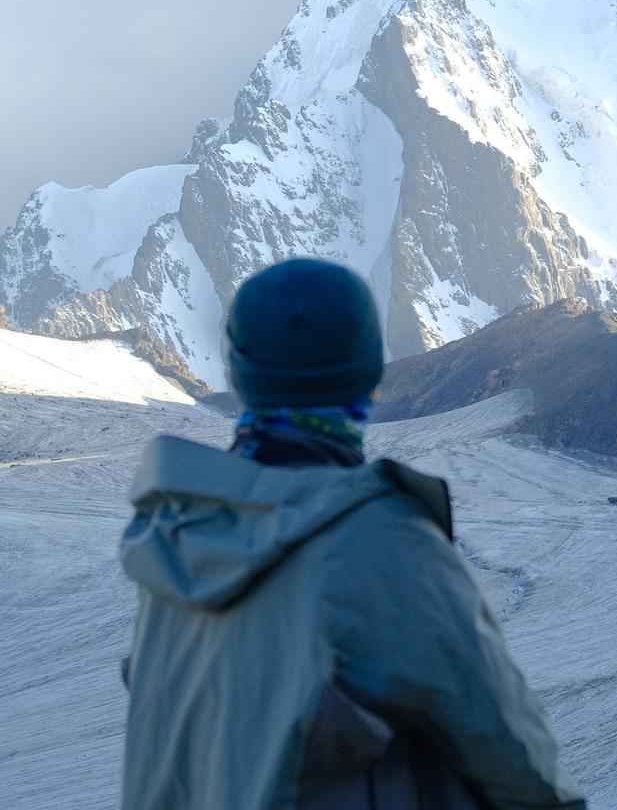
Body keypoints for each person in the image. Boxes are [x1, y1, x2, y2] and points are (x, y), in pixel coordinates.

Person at [119, 257, 586, 810]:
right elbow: (510, 750)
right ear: (367, 378)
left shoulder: (175, 531)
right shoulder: (379, 543)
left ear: (238, 377)